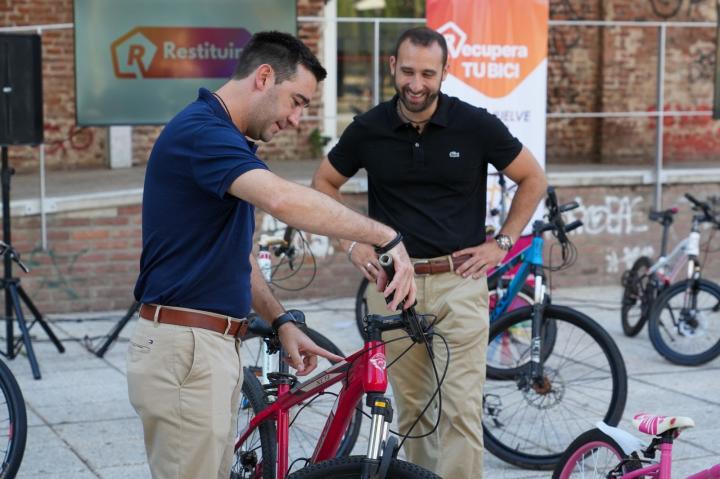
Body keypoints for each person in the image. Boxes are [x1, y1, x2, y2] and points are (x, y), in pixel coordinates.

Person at [126, 31, 417, 479]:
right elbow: (283, 200)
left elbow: (235, 258)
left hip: (207, 346)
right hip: (187, 348)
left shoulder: (224, 137)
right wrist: (385, 235)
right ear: (264, 77)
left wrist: (281, 321)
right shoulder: (204, 133)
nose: (297, 119)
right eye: (296, 101)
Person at [312, 27, 548, 478]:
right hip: (392, 286)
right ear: (392, 67)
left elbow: (532, 178)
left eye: (427, 73)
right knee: (414, 411)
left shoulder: (475, 124)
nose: (416, 84)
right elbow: (323, 182)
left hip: (459, 282)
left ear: (444, 72)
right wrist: (351, 243)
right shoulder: (369, 128)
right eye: (407, 72)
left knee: (460, 410)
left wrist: (501, 243)